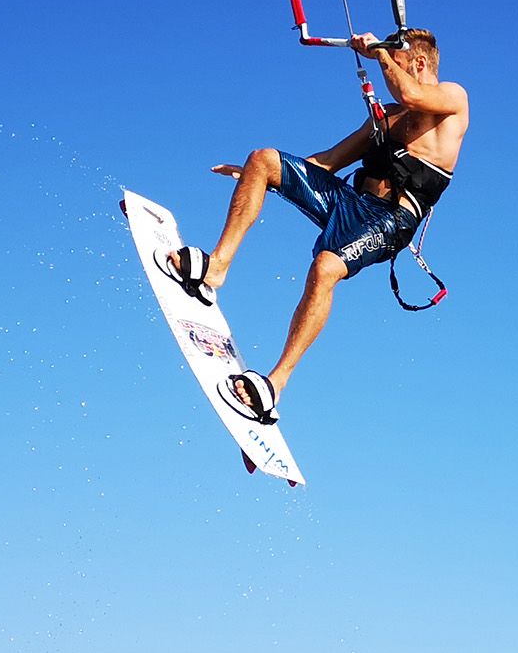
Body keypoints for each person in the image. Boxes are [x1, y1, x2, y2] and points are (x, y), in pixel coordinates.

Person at [159, 28, 469, 422]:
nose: (389, 67)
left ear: (418, 63)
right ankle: (216, 267)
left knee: (325, 267)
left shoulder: (453, 101)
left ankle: (275, 383)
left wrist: (379, 55)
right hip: (351, 200)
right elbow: (328, 161)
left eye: (398, 60)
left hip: (390, 219)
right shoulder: (389, 118)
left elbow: (410, 93)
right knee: (263, 158)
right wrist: (258, 175)